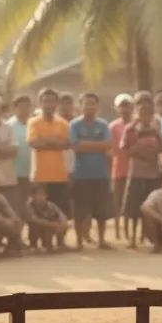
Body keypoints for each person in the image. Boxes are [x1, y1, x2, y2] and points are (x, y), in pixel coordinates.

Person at [69, 92, 113, 249]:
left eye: (93, 103)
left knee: (101, 210)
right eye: (86, 103)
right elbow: (75, 147)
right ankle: (79, 241)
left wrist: (85, 144)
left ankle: (101, 240)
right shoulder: (74, 125)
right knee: (80, 210)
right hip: (81, 174)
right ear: (80, 106)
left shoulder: (103, 124)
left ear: (97, 106)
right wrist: (98, 145)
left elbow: (108, 145)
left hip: (101, 173)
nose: (90, 106)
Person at [121, 94, 162, 248]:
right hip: (137, 172)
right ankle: (132, 238)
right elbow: (126, 149)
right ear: (136, 113)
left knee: (151, 206)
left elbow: (161, 146)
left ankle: (147, 236)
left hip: (152, 174)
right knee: (133, 208)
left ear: (152, 115)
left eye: (148, 113)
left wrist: (148, 152)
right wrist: (145, 153)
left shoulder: (155, 130)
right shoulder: (131, 129)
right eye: (141, 113)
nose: (144, 116)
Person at [28, 87, 71, 212]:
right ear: (40, 103)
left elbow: (66, 144)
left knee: (59, 214)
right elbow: (34, 143)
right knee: (39, 213)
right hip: (40, 176)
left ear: (57, 104)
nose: (49, 105)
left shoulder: (63, 123)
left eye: (52, 101)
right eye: (46, 101)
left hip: (60, 176)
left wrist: (45, 140)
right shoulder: (33, 122)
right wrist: (55, 141)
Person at [108, 94, 134, 240]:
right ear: (117, 108)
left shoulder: (137, 124)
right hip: (118, 168)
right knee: (117, 202)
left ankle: (130, 232)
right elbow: (110, 148)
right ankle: (118, 231)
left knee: (132, 203)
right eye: (122, 106)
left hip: (135, 168)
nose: (125, 109)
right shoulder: (113, 126)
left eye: (127, 105)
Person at [7, 93, 34, 218]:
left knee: (32, 206)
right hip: (14, 172)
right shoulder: (8, 126)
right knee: (17, 206)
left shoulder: (34, 124)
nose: (24, 110)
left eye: (26, 106)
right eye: (21, 107)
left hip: (33, 172)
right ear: (14, 108)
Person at [24, 182, 69, 252]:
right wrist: (51, 224)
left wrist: (63, 223)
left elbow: (62, 215)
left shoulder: (50, 205)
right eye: (38, 194)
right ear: (33, 196)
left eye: (43, 194)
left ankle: (60, 243)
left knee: (62, 224)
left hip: (48, 227)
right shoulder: (30, 206)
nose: (41, 197)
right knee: (36, 225)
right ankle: (33, 244)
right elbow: (34, 219)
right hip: (37, 228)